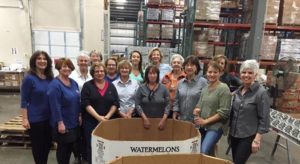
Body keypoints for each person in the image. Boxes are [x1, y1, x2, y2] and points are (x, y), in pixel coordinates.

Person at [229, 60, 270, 164]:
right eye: (244, 72)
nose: (246, 75)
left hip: (248, 136)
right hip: (234, 134)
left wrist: (257, 140)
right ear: (240, 74)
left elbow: (264, 119)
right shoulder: (238, 91)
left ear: (255, 75)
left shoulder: (261, 93)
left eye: (250, 73)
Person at [81, 62, 119, 163]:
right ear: (93, 73)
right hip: (91, 122)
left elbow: (115, 103)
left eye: (102, 71)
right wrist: (98, 117)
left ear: (105, 72)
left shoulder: (111, 86)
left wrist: (107, 117)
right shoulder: (87, 86)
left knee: (107, 145)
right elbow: (86, 104)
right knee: (92, 145)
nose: (99, 73)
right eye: (97, 71)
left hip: (107, 122)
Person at [20, 50, 53, 164]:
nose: (42, 61)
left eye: (44, 59)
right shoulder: (29, 78)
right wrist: (25, 118)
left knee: (47, 144)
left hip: (49, 118)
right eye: (39, 58)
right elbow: (24, 100)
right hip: (35, 119)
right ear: (34, 61)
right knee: (38, 147)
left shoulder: (49, 77)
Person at [193, 61, 231, 156]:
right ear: (206, 73)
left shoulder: (223, 88)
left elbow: (224, 112)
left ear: (220, 73)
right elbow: (199, 105)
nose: (212, 74)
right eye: (210, 72)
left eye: (215, 72)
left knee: (203, 150)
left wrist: (205, 121)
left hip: (215, 126)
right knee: (205, 152)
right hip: (203, 126)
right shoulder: (205, 88)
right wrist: (196, 110)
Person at [47, 58, 81, 164]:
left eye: (69, 66)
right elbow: (55, 106)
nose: (67, 69)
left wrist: (79, 115)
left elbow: (77, 100)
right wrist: (60, 123)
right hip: (63, 123)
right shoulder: (55, 85)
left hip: (73, 122)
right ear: (58, 68)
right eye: (64, 66)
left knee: (71, 146)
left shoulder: (73, 83)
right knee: (63, 150)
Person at [172, 55, 207, 122]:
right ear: (184, 67)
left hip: (197, 121)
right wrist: (175, 111)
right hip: (181, 119)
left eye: (192, 65)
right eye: (187, 65)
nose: (189, 67)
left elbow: (206, 102)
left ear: (197, 67)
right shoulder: (180, 83)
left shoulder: (203, 82)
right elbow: (176, 100)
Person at [135, 65, 170, 129]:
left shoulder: (164, 88)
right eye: (150, 73)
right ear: (147, 75)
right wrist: (144, 119)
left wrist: (163, 120)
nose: (152, 75)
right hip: (144, 121)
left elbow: (168, 105)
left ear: (157, 75)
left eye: (154, 73)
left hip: (160, 121)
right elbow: (137, 105)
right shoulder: (141, 88)